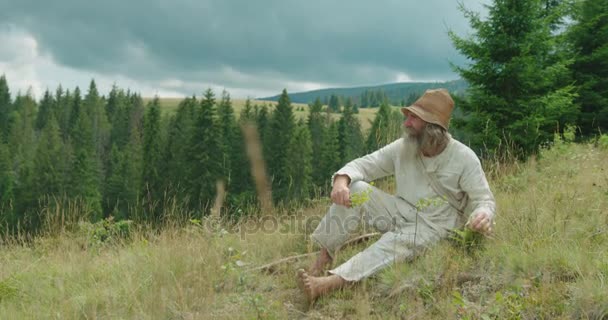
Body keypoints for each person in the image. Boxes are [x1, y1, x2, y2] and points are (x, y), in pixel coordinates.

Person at [297, 88, 496, 305]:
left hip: (437, 228)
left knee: (393, 242)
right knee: (356, 189)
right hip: (401, 212)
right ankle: (324, 257)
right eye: (408, 116)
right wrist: (341, 181)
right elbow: (365, 165)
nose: (406, 123)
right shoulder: (404, 147)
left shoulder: (464, 158)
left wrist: (482, 215)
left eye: (414, 118)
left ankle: (330, 283)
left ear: (432, 128)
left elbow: (483, 200)